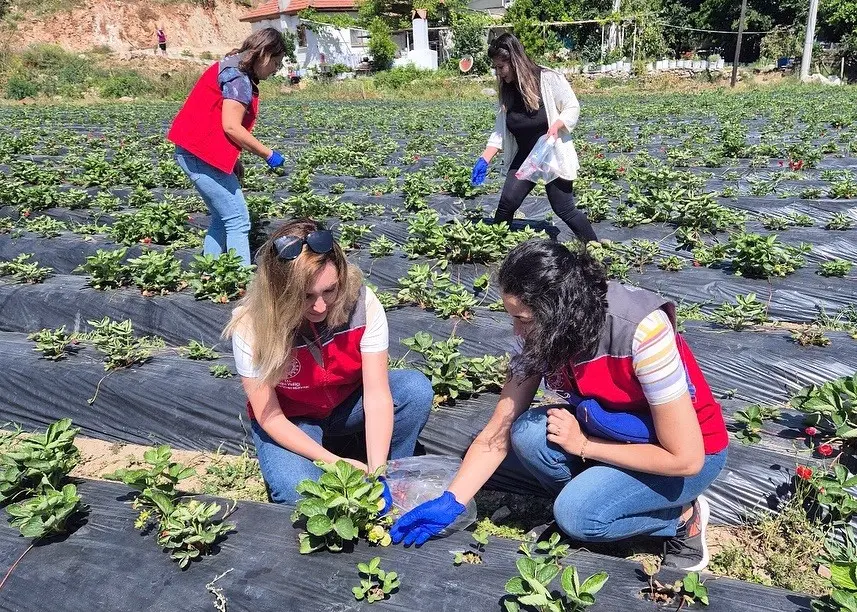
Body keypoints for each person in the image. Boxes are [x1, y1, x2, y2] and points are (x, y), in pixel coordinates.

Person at [390, 240, 729, 572]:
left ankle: (682, 518)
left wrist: (585, 446)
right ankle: (597, 495)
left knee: (578, 517)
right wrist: (452, 502)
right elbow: (499, 429)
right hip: (614, 432)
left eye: (524, 319)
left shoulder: (641, 332)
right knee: (527, 433)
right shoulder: (543, 334)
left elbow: (685, 458)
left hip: (685, 453)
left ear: (559, 313)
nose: (516, 330)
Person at [224, 219, 434, 505]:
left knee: (413, 390)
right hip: (292, 419)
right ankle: (327, 454)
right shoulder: (252, 325)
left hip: (346, 406)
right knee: (296, 491)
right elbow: (269, 416)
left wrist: (378, 471)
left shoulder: (362, 304)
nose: (320, 306)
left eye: (329, 291)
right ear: (279, 291)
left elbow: (376, 394)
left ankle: (394, 476)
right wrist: (334, 462)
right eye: (305, 296)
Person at [167, 27, 288, 266]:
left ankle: (209, 270)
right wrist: (268, 154)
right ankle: (241, 282)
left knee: (223, 218)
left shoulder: (232, 67)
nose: (276, 69)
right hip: (199, 153)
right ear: (264, 54)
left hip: (197, 151)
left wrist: (233, 160)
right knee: (238, 220)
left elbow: (221, 124)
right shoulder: (238, 78)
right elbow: (231, 126)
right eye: (276, 62)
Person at [471, 33, 597, 243]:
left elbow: (572, 106)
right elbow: (500, 131)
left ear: (514, 61)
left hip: (551, 153)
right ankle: (494, 247)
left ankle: (595, 248)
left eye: (501, 67)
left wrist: (557, 125)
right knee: (507, 203)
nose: (498, 73)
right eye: (495, 68)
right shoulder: (508, 92)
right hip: (527, 156)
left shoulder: (547, 79)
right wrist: (485, 158)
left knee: (563, 208)